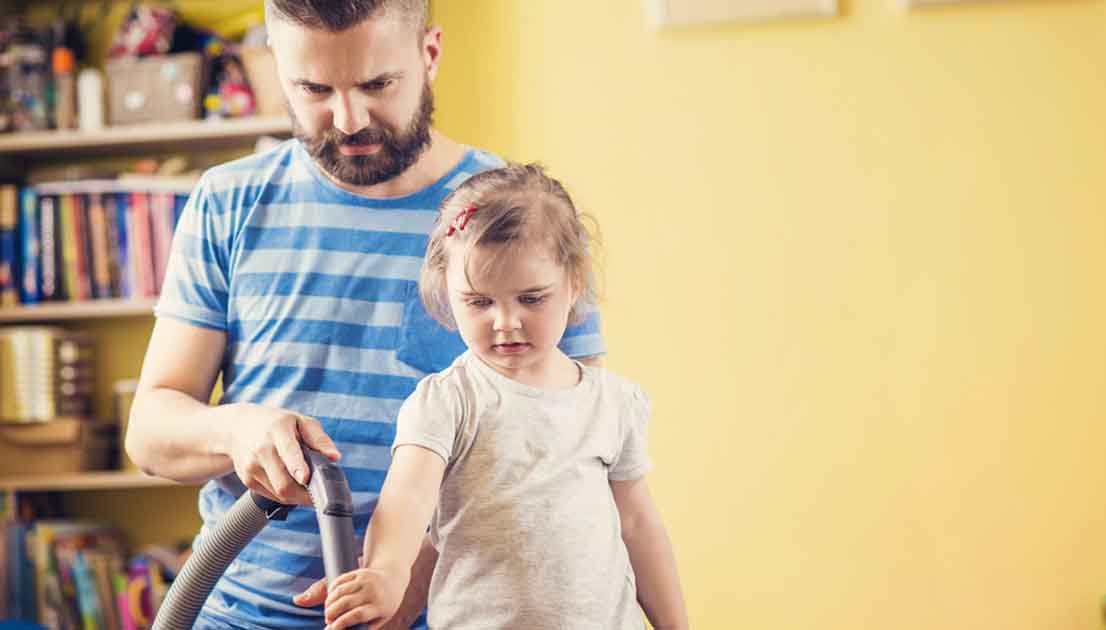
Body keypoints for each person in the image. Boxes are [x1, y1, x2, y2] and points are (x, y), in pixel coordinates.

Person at [123, 2, 606, 629]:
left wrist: (409, 579)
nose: (348, 120)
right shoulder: (227, 201)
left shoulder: (522, 218)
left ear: (429, 55)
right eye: (314, 89)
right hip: (242, 614)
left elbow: (570, 440)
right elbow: (151, 434)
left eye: (377, 84)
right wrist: (236, 431)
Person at [317, 163, 688, 630]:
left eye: (531, 299)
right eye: (479, 302)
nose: (506, 322)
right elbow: (407, 498)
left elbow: (637, 524)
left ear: (575, 282)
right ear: (448, 293)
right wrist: (386, 572)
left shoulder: (613, 403)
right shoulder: (448, 401)